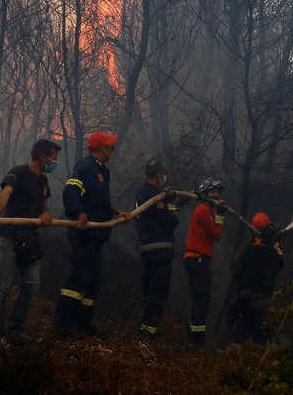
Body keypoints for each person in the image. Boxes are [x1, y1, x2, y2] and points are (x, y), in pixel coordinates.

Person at [0, 138, 60, 350]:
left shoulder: (43, 182)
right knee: (3, 287)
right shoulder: (18, 172)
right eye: (53, 158)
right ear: (43, 157)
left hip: (31, 239)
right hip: (9, 236)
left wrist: (46, 215)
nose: (55, 163)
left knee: (32, 287)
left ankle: (16, 330)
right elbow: (5, 194)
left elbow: (44, 207)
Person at [54, 131, 129, 336]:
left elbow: (99, 201)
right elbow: (70, 191)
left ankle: (83, 323)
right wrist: (80, 214)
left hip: (97, 233)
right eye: (110, 147)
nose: (112, 150)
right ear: (101, 149)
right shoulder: (85, 167)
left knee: (93, 278)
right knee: (79, 276)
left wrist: (117, 212)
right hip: (84, 233)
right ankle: (63, 323)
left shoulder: (102, 171)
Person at [134, 158, 179, 338]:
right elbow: (170, 222)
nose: (164, 176)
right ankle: (149, 335)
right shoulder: (153, 195)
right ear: (159, 174)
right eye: (163, 173)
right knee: (158, 292)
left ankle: (145, 332)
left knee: (150, 290)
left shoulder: (143, 192)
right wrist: (171, 206)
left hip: (149, 248)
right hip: (159, 249)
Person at [228, 212, 284, 344]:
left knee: (236, 339)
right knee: (259, 342)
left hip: (245, 300)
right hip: (263, 303)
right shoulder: (275, 255)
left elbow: (235, 272)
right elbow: (280, 263)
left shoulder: (248, 249)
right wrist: (277, 246)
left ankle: (222, 354)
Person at [183, 177, 226, 346]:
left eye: (217, 192)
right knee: (201, 299)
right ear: (206, 193)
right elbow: (216, 234)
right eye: (213, 192)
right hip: (197, 259)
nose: (216, 195)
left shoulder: (207, 209)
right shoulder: (203, 210)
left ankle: (196, 336)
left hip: (199, 260)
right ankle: (196, 340)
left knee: (202, 299)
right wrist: (221, 216)